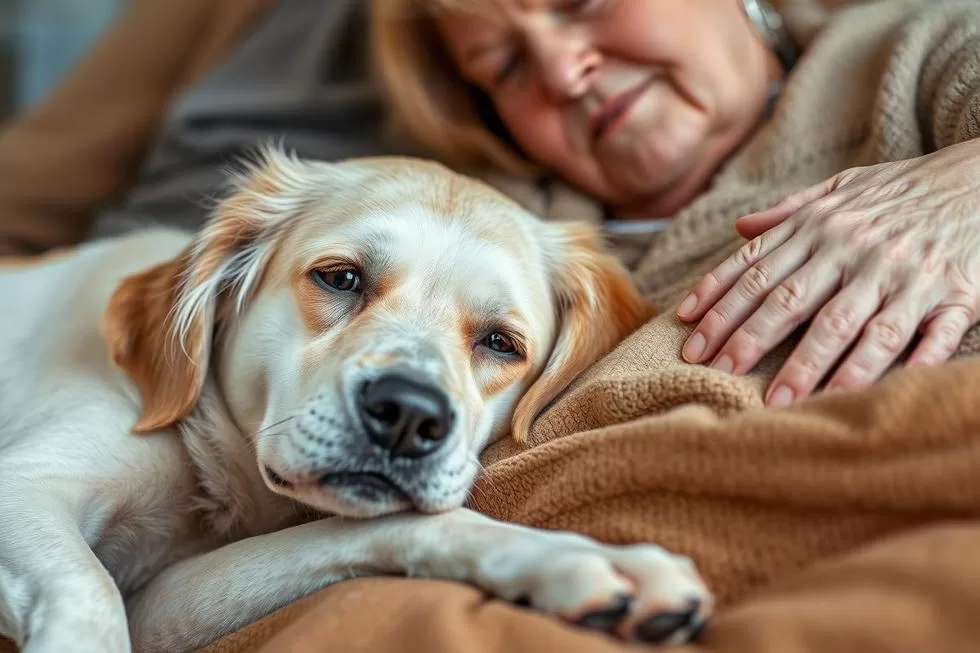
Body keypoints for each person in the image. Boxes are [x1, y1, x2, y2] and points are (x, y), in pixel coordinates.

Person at [369, 0, 980, 406]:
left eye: (584, 2)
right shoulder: (496, 257)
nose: (560, 73)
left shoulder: (912, 52)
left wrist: (953, 193)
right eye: (507, 67)